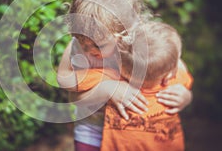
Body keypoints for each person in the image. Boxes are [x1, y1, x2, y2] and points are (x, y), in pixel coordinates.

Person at [57, 0, 192, 151]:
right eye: (81, 41)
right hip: (93, 129)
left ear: (125, 33)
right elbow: (68, 85)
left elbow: (174, 65)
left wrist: (184, 95)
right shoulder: (80, 46)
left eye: (98, 45)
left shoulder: (143, 43)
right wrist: (107, 89)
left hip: (137, 135)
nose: (89, 50)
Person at [76, 21, 193, 151]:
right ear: (168, 75)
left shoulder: (112, 76)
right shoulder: (175, 80)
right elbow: (186, 79)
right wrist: (187, 96)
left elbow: (74, 82)